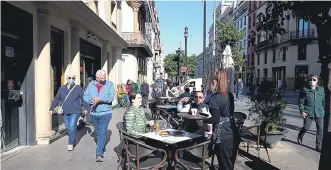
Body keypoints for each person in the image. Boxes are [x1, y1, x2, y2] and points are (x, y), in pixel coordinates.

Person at [203, 69, 239, 170]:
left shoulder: (214, 98)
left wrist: (203, 120)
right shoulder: (230, 95)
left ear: (215, 81)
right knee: (229, 165)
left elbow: (215, 119)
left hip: (223, 137)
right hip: (234, 134)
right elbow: (228, 114)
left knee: (225, 166)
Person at [49, 73, 89, 151]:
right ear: (67, 79)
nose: (71, 79)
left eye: (73, 78)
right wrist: (51, 109)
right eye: (70, 78)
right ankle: (73, 140)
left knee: (72, 126)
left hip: (75, 111)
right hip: (65, 111)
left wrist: (86, 108)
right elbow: (57, 99)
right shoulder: (62, 88)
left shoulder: (78, 88)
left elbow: (83, 99)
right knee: (68, 127)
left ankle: (70, 143)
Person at [84, 70, 115, 162]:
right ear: (97, 78)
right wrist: (91, 99)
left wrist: (100, 99)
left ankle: (99, 154)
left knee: (102, 132)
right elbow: (86, 96)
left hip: (105, 113)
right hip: (94, 113)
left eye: (104, 77)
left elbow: (110, 98)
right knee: (97, 133)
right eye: (101, 78)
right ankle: (102, 147)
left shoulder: (110, 84)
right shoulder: (91, 85)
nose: (103, 80)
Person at [297, 74, 325, 152]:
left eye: (314, 79)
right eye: (310, 79)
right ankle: (300, 136)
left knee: (320, 129)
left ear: (317, 80)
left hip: (319, 112)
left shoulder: (321, 90)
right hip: (308, 112)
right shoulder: (304, 89)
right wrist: (302, 111)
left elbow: (324, 101)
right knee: (306, 127)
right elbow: (301, 102)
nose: (312, 81)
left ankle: (318, 146)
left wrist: (324, 110)